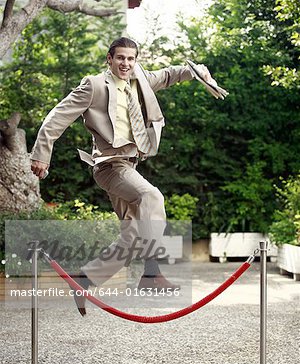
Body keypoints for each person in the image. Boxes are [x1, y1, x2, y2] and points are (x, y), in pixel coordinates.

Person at [30, 37, 217, 316]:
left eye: (131, 59)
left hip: (130, 166)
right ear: (109, 58)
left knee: (131, 238)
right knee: (152, 195)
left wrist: (196, 71)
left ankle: (83, 280)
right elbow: (57, 117)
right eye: (120, 58)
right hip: (109, 166)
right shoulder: (93, 86)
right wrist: (41, 154)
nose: (126, 64)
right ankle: (152, 274)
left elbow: (168, 75)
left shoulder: (139, 78)